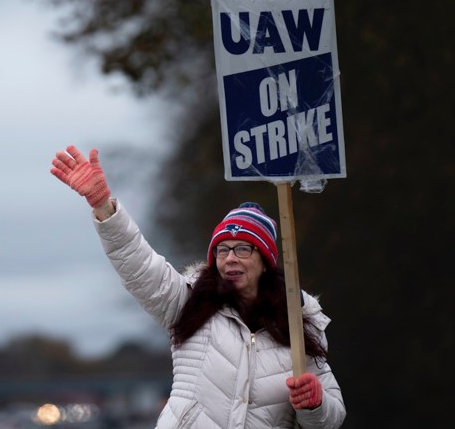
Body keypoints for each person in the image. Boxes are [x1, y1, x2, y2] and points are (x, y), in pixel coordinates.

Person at [50, 145, 346, 428]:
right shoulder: (187, 303)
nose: (230, 258)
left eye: (243, 249)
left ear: (265, 260)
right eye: (222, 250)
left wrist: (314, 404)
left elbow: (330, 418)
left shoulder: (299, 321)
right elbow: (138, 264)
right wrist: (103, 206)